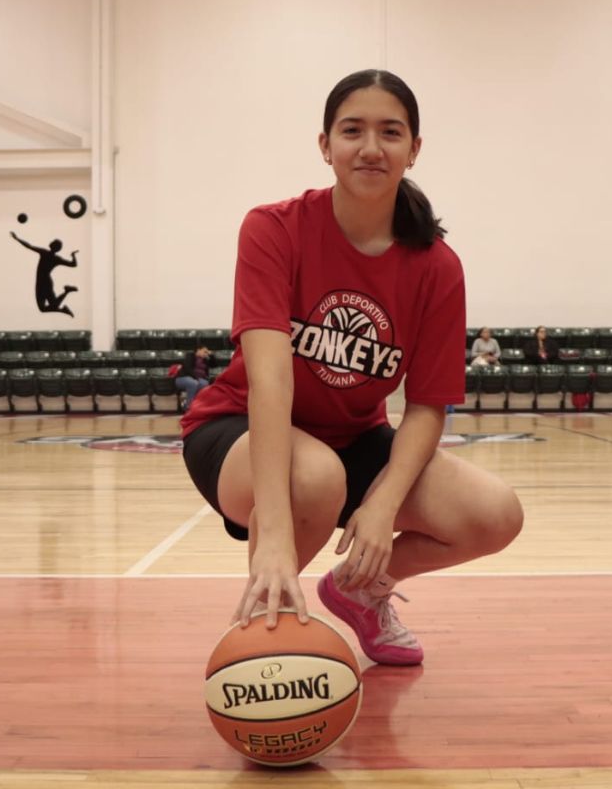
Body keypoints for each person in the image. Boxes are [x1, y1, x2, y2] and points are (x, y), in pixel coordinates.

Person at [180, 69, 522, 667]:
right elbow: (269, 381)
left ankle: (361, 590)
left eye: (390, 132)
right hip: (237, 430)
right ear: (325, 146)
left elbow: (424, 406)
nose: (370, 147)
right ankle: (266, 645)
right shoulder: (274, 229)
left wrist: (383, 504)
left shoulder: (437, 267)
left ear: (414, 150)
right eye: (352, 130)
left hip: (354, 440)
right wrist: (277, 539)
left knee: (494, 515)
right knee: (314, 477)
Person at [9, 232, 78, 317]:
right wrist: (73, 256)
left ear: (52, 245)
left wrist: (17, 239)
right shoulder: (55, 257)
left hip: (44, 282)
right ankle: (66, 296)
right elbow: (73, 264)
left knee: (47, 307)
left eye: (53, 242)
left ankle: (67, 293)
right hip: (42, 282)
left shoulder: (45, 253)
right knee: (44, 308)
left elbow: (29, 246)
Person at [176, 345, 217, 412]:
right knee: (193, 383)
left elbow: (214, 365)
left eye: (207, 352)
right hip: (183, 378)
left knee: (204, 384)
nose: (206, 353)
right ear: (198, 350)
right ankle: (189, 407)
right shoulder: (190, 356)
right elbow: (187, 368)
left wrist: (211, 355)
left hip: (199, 379)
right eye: (204, 351)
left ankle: (197, 405)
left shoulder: (205, 359)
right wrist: (195, 378)